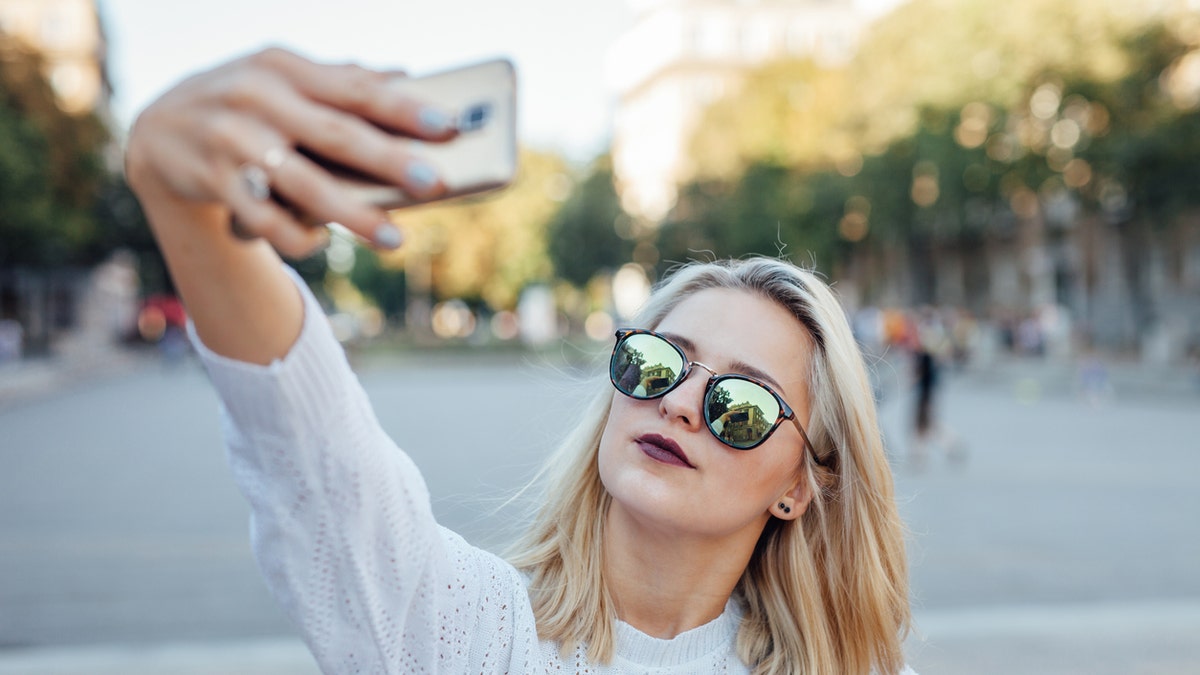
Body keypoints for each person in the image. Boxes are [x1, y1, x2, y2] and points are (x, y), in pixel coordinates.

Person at [125, 48, 915, 674]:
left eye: (739, 405)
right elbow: (310, 444)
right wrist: (182, 195)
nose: (676, 403)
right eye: (654, 363)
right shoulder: (461, 629)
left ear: (799, 485)